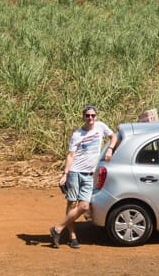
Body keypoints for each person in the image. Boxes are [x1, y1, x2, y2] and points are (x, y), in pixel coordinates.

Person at [50, 105, 116, 249]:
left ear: (96, 116)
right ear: (83, 117)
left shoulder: (100, 127)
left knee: (84, 206)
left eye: (93, 115)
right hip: (75, 172)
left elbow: (113, 136)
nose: (90, 118)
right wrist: (65, 174)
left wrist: (110, 149)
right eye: (87, 116)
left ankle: (58, 229)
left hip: (89, 175)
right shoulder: (77, 134)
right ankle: (72, 237)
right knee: (72, 204)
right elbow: (71, 155)